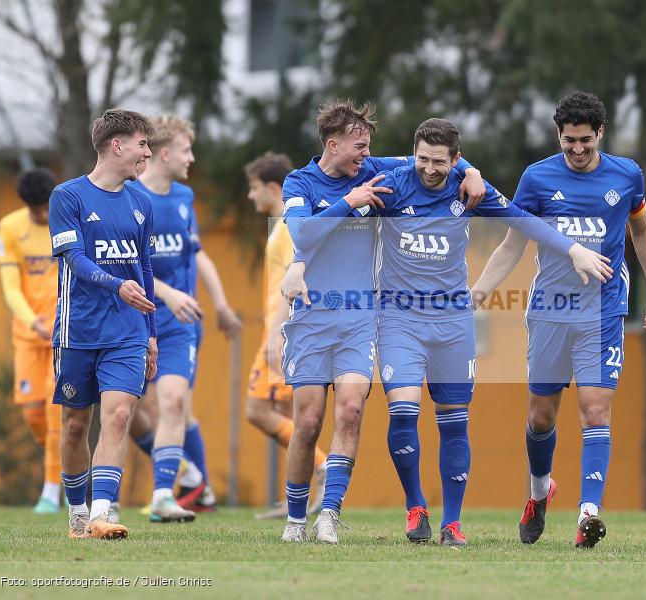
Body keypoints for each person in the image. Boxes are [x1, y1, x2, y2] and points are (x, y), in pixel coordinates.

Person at [372, 118, 611, 546]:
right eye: (422, 159)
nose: (429, 169)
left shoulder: (468, 189)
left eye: (439, 162)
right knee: (404, 411)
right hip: (399, 319)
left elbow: (524, 222)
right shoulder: (391, 183)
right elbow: (347, 167)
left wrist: (573, 249)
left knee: (455, 422)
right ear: (414, 155)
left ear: (456, 160)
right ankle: (415, 507)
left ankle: (453, 524)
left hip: (452, 321)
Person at [278, 99, 484, 544]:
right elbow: (302, 233)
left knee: (351, 410)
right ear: (333, 145)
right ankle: (295, 518)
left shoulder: (373, 167)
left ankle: (329, 513)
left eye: (368, 146)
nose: (366, 155)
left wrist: (472, 172)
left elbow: (434, 156)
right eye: (358, 147)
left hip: (359, 316)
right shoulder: (300, 182)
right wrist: (348, 203)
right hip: (312, 317)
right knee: (310, 420)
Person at [470, 92, 646, 548]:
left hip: (602, 311)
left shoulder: (626, 175)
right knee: (541, 418)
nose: (576, 150)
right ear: (558, 136)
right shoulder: (537, 178)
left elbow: (643, 231)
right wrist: (480, 289)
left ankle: (587, 516)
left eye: (584, 141)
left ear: (600, 134)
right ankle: (539, 494)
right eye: (567, 141)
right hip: (550, 312)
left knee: (595, 409)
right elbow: (513, 244)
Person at [49, 108, 158, 539]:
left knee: (116, 417)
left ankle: (100, 515)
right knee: (76, 424)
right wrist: (117, 285)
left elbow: (144, 268)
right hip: (78, 332)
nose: (147, 152)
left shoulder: (142, 202)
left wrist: (151, 336)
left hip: (128, 334)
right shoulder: (67, 196)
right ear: (118, 146)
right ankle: (77, 512)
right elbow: (74, 259)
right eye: (142, 144)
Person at [127, 114, 205, 523]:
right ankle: (93, 495)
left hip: (178, 323)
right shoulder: (129, 198)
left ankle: (162, 495)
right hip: (132, 319)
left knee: (174, 401)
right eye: (187, 149)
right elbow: (127, 267)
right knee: (127, 410)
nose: (192, 157)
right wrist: (168, 292)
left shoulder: (184, 199)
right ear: (165, 152)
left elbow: (196, 255)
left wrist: (216, 304)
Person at [243, 151, 328, 519]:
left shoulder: (286, 229)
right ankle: (298, 494)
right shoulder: (281, 226)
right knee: (282, 411)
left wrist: (277, 335)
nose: (250, 195)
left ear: (273, 188)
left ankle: (323, 467)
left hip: (280, 331)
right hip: (279, 329)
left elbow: (291, 285)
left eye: (254, 188)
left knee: (256, 410)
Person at [0, 167, 62, 513]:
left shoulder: (70, 220)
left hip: (62, 333)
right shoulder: (9, 228)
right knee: (33, 412)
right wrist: (30, 320)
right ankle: (64, 457)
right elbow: (9, 286)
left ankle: (52, 490)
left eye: (45, 207)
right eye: (36, 210)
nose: (43, 215)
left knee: (55, 411)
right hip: (28, 332)